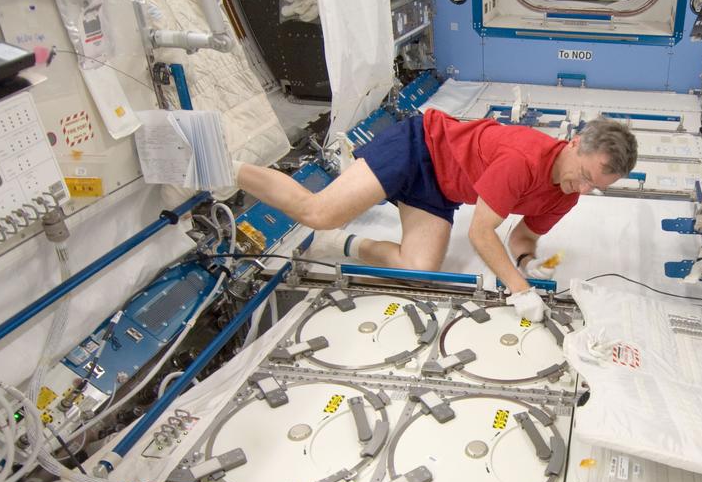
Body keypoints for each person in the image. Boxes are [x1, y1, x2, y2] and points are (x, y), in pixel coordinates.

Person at [235, 108, 638, 322]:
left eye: (595, 187)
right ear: (574, 143)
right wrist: (519, 288)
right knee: (318, 211)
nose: (584, 190)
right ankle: (222, 168)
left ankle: (340, 243)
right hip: (418, 147)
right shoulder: (524, 160)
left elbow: (522, 237)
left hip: (440, 188)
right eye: (584, 176)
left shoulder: (567, 194)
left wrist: (528, 262)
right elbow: (482, 234)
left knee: (418, 269)